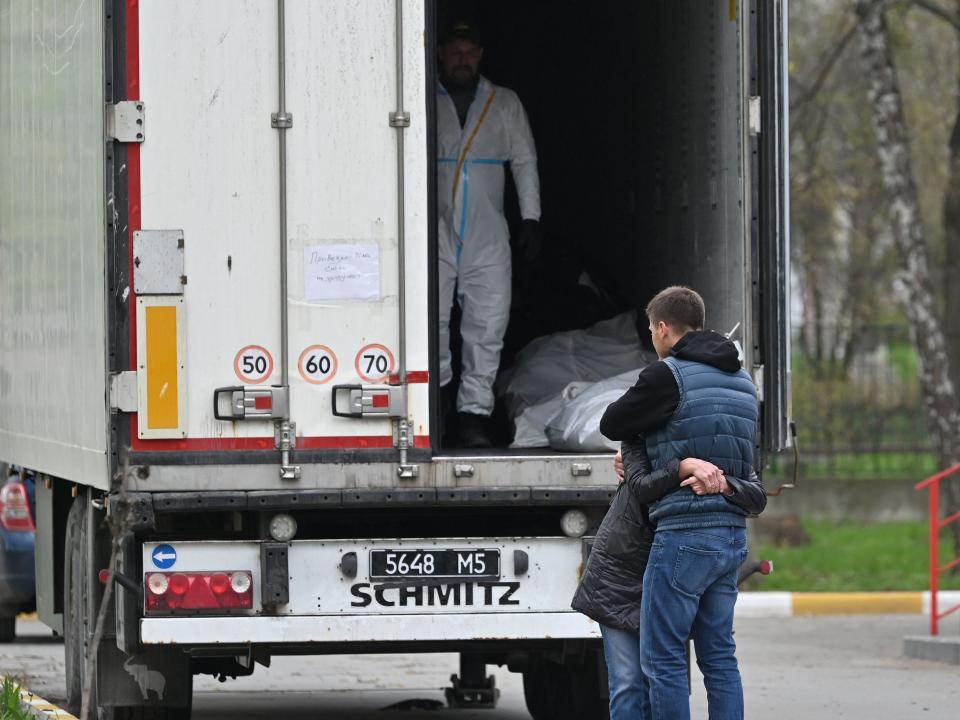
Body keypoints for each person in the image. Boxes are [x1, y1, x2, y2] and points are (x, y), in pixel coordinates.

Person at [598, 286, 766, 720]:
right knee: (719, 659)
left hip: (683, 537)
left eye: (651, 332)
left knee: (664, 660)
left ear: (663, 328)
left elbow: (612, 423)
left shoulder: (666, 374)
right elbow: (744, 463)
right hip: (730, 536)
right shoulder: (744, 382)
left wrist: (640, 443)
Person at [436, 21, 542, 447]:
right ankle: (437, 408)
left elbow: (524, 161)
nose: (463, 59)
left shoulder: (504, 102)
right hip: (434, 230)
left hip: (488, 234)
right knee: (431, 322)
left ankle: (472, 418)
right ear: (441, 53)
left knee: (487, 323)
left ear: (480, 55)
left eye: (470, 51)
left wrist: (531, 217)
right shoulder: (424, 97)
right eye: (456, 51)